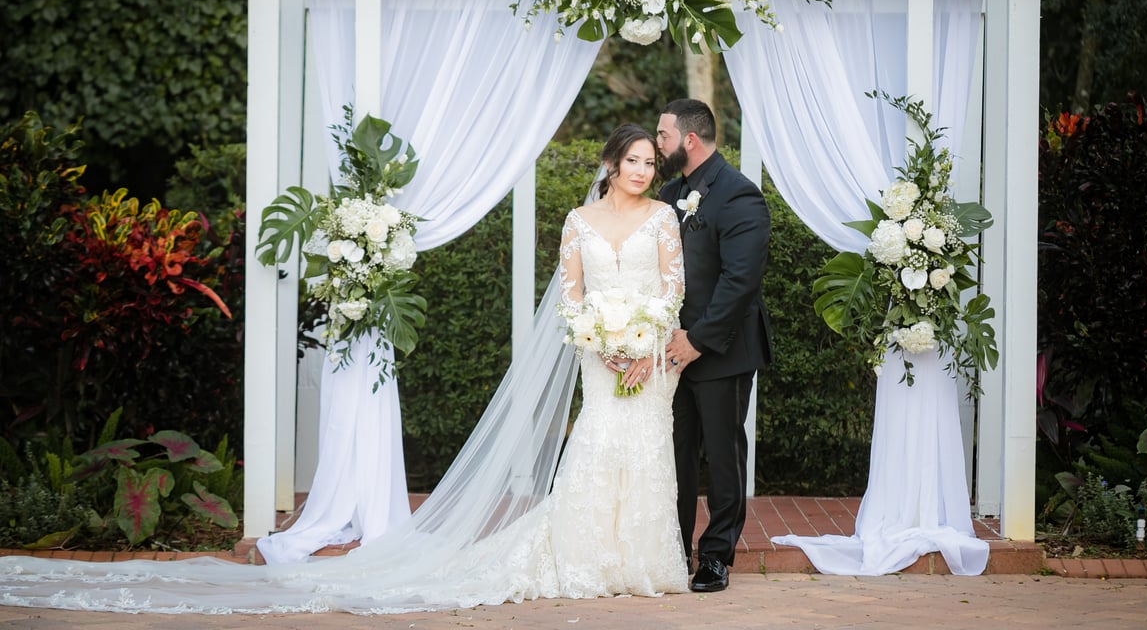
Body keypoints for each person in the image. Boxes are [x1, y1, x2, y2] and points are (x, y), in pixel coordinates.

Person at [0, 124, 687, 613]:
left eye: (648, 164)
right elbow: (570, 294)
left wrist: (644, 343)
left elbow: (672, 288)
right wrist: (603, 345)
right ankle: (593, 558)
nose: (640, 171)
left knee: (645, 450)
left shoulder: (663, 219)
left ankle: (644, 564)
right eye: (631, 160)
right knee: (598, 446)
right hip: (600, 355)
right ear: (610, 163)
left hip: (649, 355)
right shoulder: (577, 219)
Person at [656, 99, 773, 593]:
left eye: (662, 135)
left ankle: (717, 556)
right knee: (676, 453)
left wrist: (698, 340)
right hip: (669, 350)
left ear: (690, 140)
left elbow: (740, 280)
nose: (655, 143)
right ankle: (675, 548)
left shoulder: (740, 196)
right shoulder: (668, 193)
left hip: (720, 351)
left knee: (723, 454)